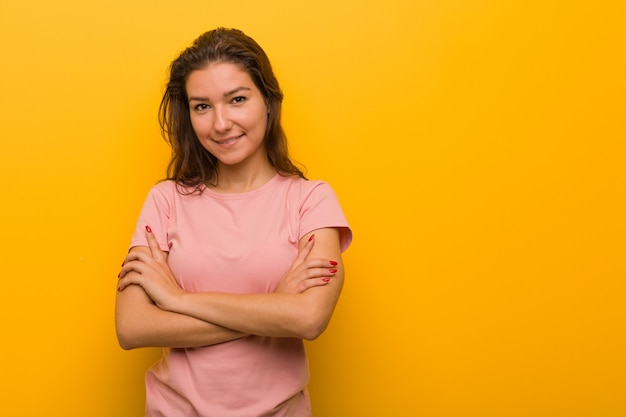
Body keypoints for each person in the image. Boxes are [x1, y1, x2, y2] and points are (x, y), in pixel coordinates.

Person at [115, 27, 352, 417]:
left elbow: (309, 318)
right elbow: (132, 327)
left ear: (269, 102)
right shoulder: (165, 200)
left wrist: (178, 301)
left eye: (237, 99)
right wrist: (276, 308)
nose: (221, 123)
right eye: (202, 106)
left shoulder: (311, 201)